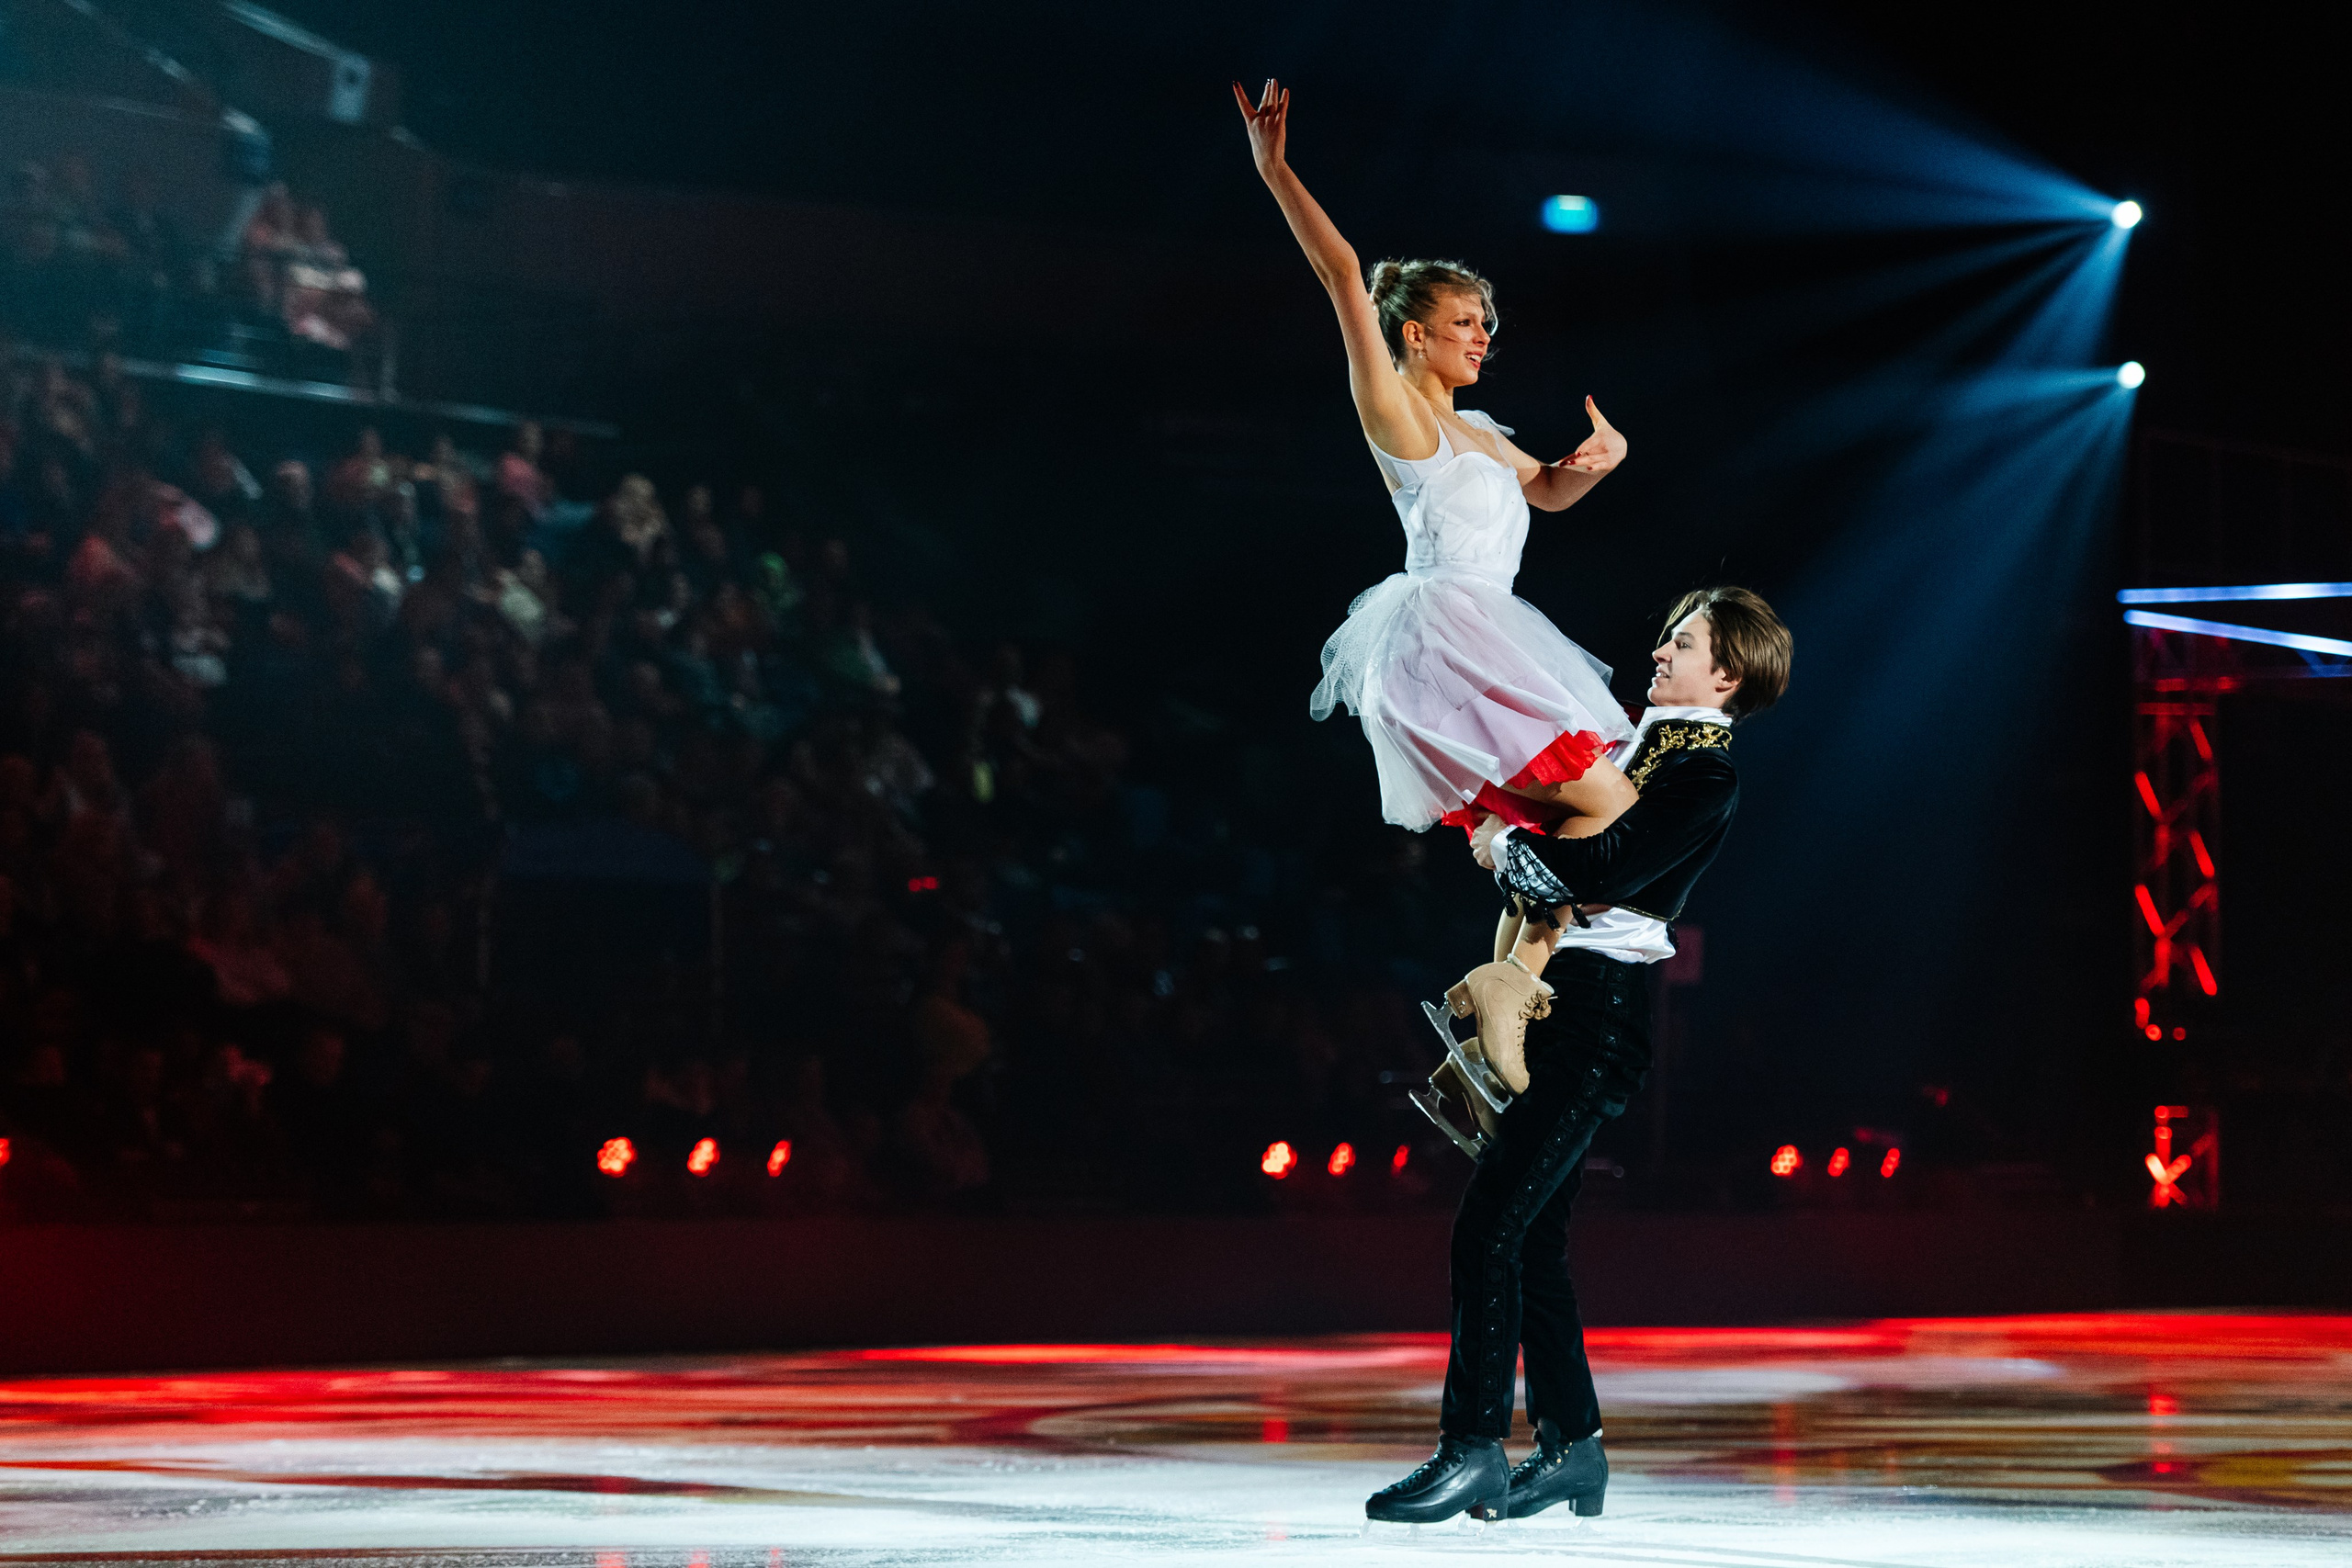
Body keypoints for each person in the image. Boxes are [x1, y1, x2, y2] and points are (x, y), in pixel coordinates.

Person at [1235, 80, 1642, 1079]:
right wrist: (1275, 169)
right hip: (1449, 635)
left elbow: (1541, 497)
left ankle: (1490, 1026)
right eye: (1464, 322)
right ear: (1413, 333)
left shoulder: (1484, 432)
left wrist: (1592, 468)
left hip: (1495, 625)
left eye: (1486, 324)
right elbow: (1339, 274)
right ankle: (1507, 960)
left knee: (1578, 818)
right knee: (1615, 809)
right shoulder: (1400, 416)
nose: (1481, 338)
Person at [1371, 586, 1792, 1525]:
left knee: (1489, 1228)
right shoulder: (1623, 749)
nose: (1658, 654)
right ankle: (1574, 1449)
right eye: (1664, 636)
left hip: (1594, 1015)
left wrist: (1508, 841)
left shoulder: (1704, 774)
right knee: (1536, 1243)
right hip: (1559, 1006)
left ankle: (1472, 1447)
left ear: (1726, 674)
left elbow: (1604, 872)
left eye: (1680, 644)